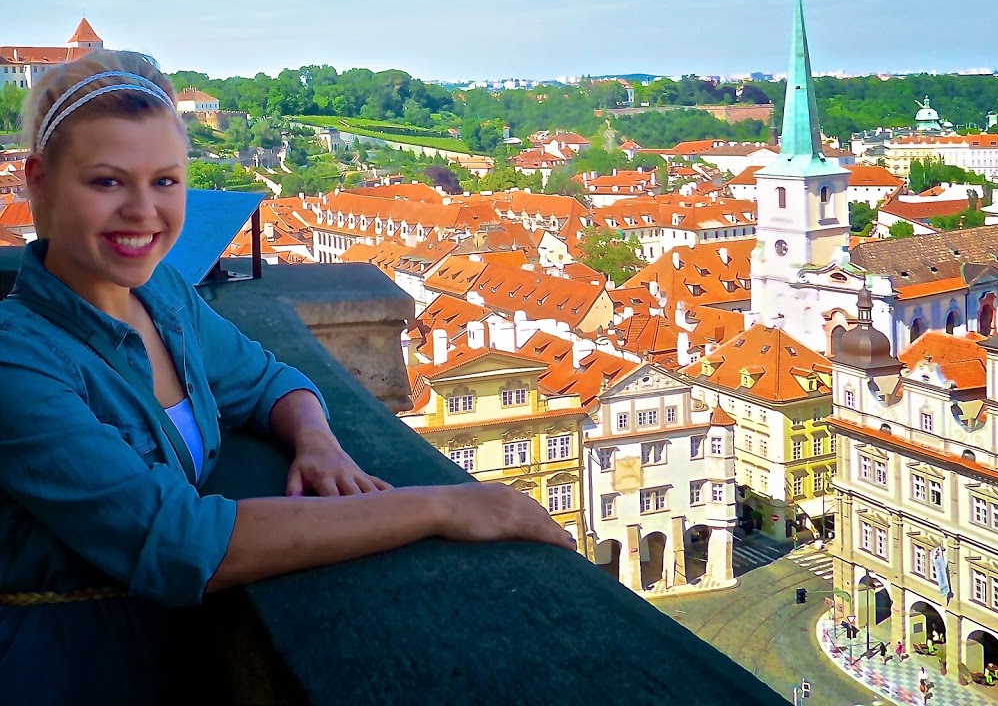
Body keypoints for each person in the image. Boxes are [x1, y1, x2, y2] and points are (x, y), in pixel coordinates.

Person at [0, 51, 576, 705]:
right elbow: (179, 542)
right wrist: (441, 506)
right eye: (107, 182)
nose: (143, 210)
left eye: (165, 181)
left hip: (165, 657)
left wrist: (316, 441)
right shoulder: (17, 362)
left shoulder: (162, 297)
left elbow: (268, 380)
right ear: (40, 181)